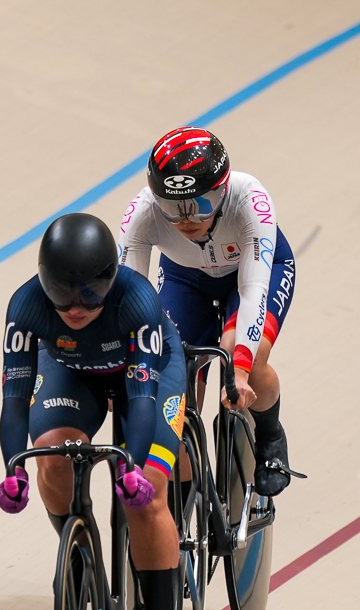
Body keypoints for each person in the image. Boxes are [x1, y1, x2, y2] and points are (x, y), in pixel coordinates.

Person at [0, 212, 189, 610]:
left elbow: (140, 403)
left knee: (147, 495)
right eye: (62, 294)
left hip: (146, 378)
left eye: (91, 294)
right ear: (44, 285)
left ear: (111, 280)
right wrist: (12, 469)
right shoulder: (26, 305)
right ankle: (80, 557)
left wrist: (131, 468)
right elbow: (14, 403)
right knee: (51, 456)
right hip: (73, 372)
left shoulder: (137, 300)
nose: (76, 307)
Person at [118, 127, 298, 495]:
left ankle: (270, 436)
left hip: (251, 275)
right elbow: (130, 302)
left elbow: (252, 292)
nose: (185, 219)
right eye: (171, 208)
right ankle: (185, 495)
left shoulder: (250, 199)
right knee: (175, 380)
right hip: (187, 282)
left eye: (199, 204)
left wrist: (243, 371)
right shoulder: (141, 215)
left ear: (222, 190)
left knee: (240, 354)